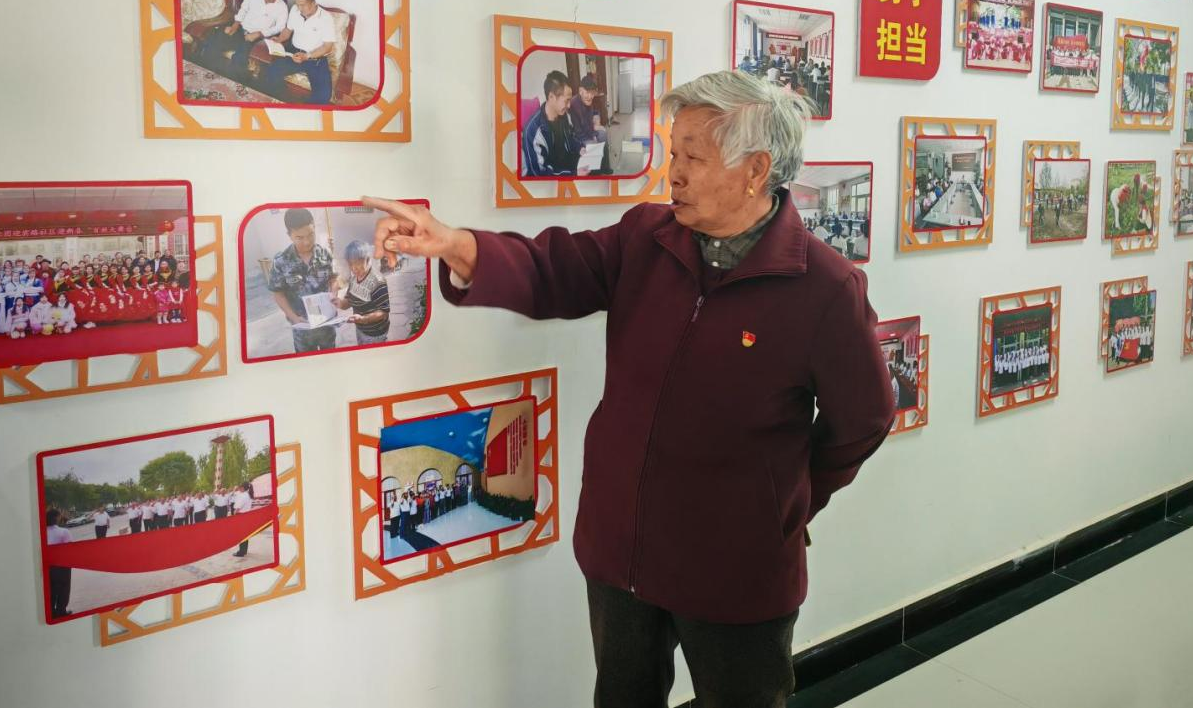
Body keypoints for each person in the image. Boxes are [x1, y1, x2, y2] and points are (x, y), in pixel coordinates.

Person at [364, 70, 895, 708]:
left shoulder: (823, 287)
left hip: (737, 563)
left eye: (694, 158)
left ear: (756, 170)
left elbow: (863, 419)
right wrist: (457, 245)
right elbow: (553, 269)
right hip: (623, 547)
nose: (675, 174)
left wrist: (784, 503)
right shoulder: (647, 237)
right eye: (675, 153)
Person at [266, 207, 339, 355]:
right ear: (289, 235)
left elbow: (333, 279)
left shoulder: (325, 254)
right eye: (299, 237)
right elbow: (278, 294)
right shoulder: (281, 261)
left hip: (326, 325)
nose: (307, 242)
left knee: (330, 360)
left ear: (314, 228)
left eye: (311, 234)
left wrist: (333, 296)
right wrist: (293, 317)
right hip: (302, 329)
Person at [262, 0, 338, 105]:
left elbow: (327, 47)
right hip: (294, 54)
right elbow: (288, 30)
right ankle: (283, 103)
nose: (299, 8)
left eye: (302, 5)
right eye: (297, 4)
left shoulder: (325, 18)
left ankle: (306, 112)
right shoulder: (295, 10)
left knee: (324, 95)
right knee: (272, 71)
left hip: (315, 59)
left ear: (313, 3)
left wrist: (307, 56)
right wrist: (280, 39)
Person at [521, 70, 584, 177]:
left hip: (567, 166)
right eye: (566, 100)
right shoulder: (533, 131)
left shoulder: (563, 115)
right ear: (551, 97)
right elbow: (539, 173)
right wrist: (574, 174)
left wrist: (580, 148)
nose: (569, 105)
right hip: (553, 176)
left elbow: (570, 138)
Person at [332, 239, 391, 346]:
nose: (354, 268)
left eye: (358, 263)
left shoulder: (377, 281)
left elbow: (383, 312)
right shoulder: (353, 279)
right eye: (351, 264)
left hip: (375, 334)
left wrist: (364, 319)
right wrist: (340, 303)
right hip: (360, 328)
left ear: (367, 259)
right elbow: (349, 300)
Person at [45, 510, 73, 619]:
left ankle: (52, 612)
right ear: (57, 518)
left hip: (48, 566)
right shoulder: (64, 532)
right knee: (63, 589)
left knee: (51, 590)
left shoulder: (42, 532)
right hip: (62, 565)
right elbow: (70, 549)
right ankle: (61, 611)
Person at [568, 74, 607, 147]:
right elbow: (579, 132)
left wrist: (596, 119)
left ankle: (603, 154)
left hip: (590, 130)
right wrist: (593, 135)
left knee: (603, 134)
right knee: (594, 145)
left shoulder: (588, 100)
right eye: (587, 92)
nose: (590, 96)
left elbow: (595, 112)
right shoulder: (574, 105)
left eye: (592, 93)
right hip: (580, 138)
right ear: (580, 91)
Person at [231, 483, 254, 557]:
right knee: (245, 534)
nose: (239, 489)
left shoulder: (244, 495)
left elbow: (238, 506)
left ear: (243, 488)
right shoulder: (248, 495)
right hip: (246, 516)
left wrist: (234, 512)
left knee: (241, 534)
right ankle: (244, 550)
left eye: (240, 487)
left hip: (241, 515)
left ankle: (241, 552)